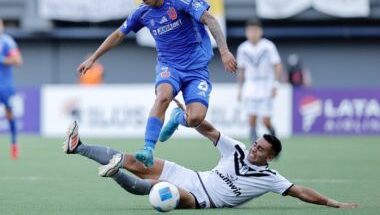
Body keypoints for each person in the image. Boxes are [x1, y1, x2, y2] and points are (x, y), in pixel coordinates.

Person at [77, 0, 237, 167]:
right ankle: (148, 148)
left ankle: (179, 117)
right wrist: (94, 58)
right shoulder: (142, 13)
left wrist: (224, 51)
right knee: (163, 96)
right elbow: (118, 34)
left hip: (196, 68)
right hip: (169, 65)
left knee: (195, 118)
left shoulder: (179, 0)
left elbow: (210, 19)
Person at [63, 101, 358, 210]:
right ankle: (79, 147)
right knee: (135, 161)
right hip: (192, 176)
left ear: (269, 158)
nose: (254, 147)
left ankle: (115, 174)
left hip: (203, 200)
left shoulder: (270, 178)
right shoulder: (237, 148)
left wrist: (334, 203)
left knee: (155, 191)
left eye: (261, 149)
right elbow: (209, 130)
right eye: (256, 143)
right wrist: (190, 117)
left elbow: (301, 192)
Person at [236, 19, 282, 144]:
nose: (253, 33)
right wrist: (240, 89)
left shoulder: (268, 46)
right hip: (250, 85)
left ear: (260, 32)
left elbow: (277, 65)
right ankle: (255, 149)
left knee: (266, 121)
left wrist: (275, 84)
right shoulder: (243, 48)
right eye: (250, 31)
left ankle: (274, 139)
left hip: (266, 85)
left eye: (255, 30)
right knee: (252, 119)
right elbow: (241, 69)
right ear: (246, 32)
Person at [0, 19, 23, 159]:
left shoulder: (7, 41)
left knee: (9, 112)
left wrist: (2, 59)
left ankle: (14, 143)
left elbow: (18, 60)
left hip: (5, 85)